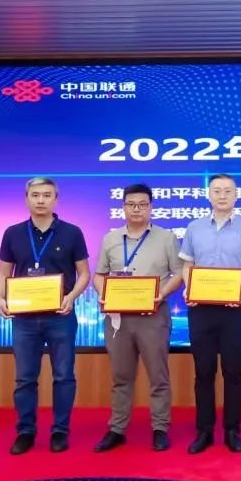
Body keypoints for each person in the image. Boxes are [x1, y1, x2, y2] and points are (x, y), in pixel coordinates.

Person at [0, 177, 90, 455]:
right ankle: (25, 432)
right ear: (26, 198)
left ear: (56, 199)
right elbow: (3, 274)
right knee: (25, 378)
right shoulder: (13, 233)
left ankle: (60, 431)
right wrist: (0, 298)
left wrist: (71, 297)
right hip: (24, 319)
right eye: (35, 195)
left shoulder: (72, 232)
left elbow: (84, 273)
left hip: (60, 316)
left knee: (64, 376)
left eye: (47, 195)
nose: (40, 200)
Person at [92, 183, 183, 453]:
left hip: (153, 315)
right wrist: (104, 294)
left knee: (158, 376)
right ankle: (117, 429)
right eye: (131, 204)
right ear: (123, 207)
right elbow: (99, 275)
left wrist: (160, 295)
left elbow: (179, 273)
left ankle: (160, 428)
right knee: (121, 376)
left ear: (151, 207)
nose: (137, 209)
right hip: (119, 318)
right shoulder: (110, 239)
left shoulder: (166, 237)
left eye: (143, 204)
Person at [180, 174, 241, 454]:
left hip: (234, 308)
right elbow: (187, 265)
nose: (222, 195)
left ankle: (232, 430)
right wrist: (189, 287)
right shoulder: (194, 228)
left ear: (236, 195)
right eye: (217, 190)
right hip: (200, 309)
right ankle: (204, 431)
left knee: (232, 370)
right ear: (208, 195)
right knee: (203, 371)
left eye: (228, 191)